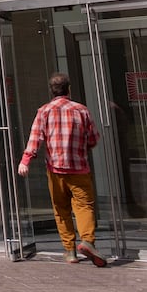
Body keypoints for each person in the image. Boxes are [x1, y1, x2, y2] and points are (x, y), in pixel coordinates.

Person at [18, 72, 107, 267]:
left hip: (56, 170)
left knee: (61, 209)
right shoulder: (81, 110)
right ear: (69, 89)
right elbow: (93, 139)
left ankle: (70, 251)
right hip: (79, 169)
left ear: (52, 91)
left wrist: (26, 160)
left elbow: (36, 139)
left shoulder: (44, 111)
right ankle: (87, 241)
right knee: (84, 207)